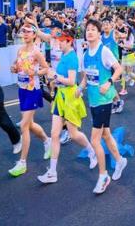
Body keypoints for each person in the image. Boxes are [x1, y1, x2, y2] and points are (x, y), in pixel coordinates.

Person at [37, 29, 98, 184]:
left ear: (69, 41)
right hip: (60, 97)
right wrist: (53, 81)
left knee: (73, 134)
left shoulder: (72, 57)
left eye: (62, 41)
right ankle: (52, 172)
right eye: (58, 41)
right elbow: (61, 78)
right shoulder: (64, 55)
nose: (59, 43)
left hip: (70, 98)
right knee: (54, 134)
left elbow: (71, 81)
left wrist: (55, 76)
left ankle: (91, 151)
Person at [77, 19, 128, 194]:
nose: (90, 32)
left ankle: (103, 175)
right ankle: (120, 161)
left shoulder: (104, 51)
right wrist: (80, 88)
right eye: (88, 30)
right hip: (93, 100)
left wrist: (109, 82)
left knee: (95, 140)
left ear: (99, 33)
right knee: (106, 134)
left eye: (93, 29)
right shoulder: (85, 54)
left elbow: (119, 68)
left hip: (104, 101)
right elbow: (86, 77)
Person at [8, 24, 51, 177]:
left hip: (33, 90)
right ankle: (47, 141)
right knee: (30, 124)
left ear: (34, 35)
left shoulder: (36, 52)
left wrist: (35, 72)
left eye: (28, 32)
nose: (25, 34)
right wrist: (14, 68)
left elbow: (46, 68)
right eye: (23, 32)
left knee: (24, 125)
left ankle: (22, 163)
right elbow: (16, 66)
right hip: (22, 89)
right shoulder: (20, 50)